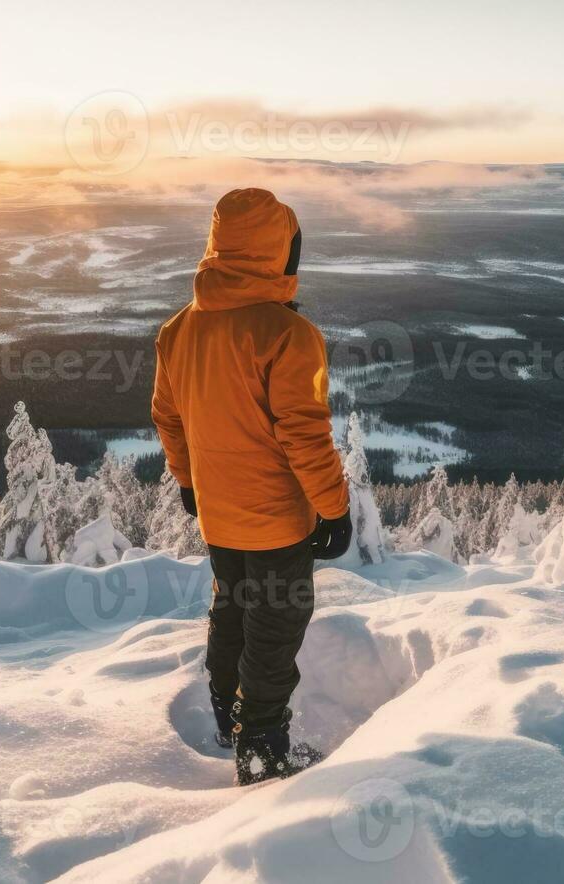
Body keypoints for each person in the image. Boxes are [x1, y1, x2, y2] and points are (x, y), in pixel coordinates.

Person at [152, 188, 353, 786]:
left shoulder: (178, 330)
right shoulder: (289, 335)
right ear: (280, 252)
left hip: (220, 516)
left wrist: (188, 482)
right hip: (275, 522)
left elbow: (169, 418)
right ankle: (263, 749)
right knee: (275, 626)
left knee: (232, 609)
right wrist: (334, 509)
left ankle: (227, 717)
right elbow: (304, 435)